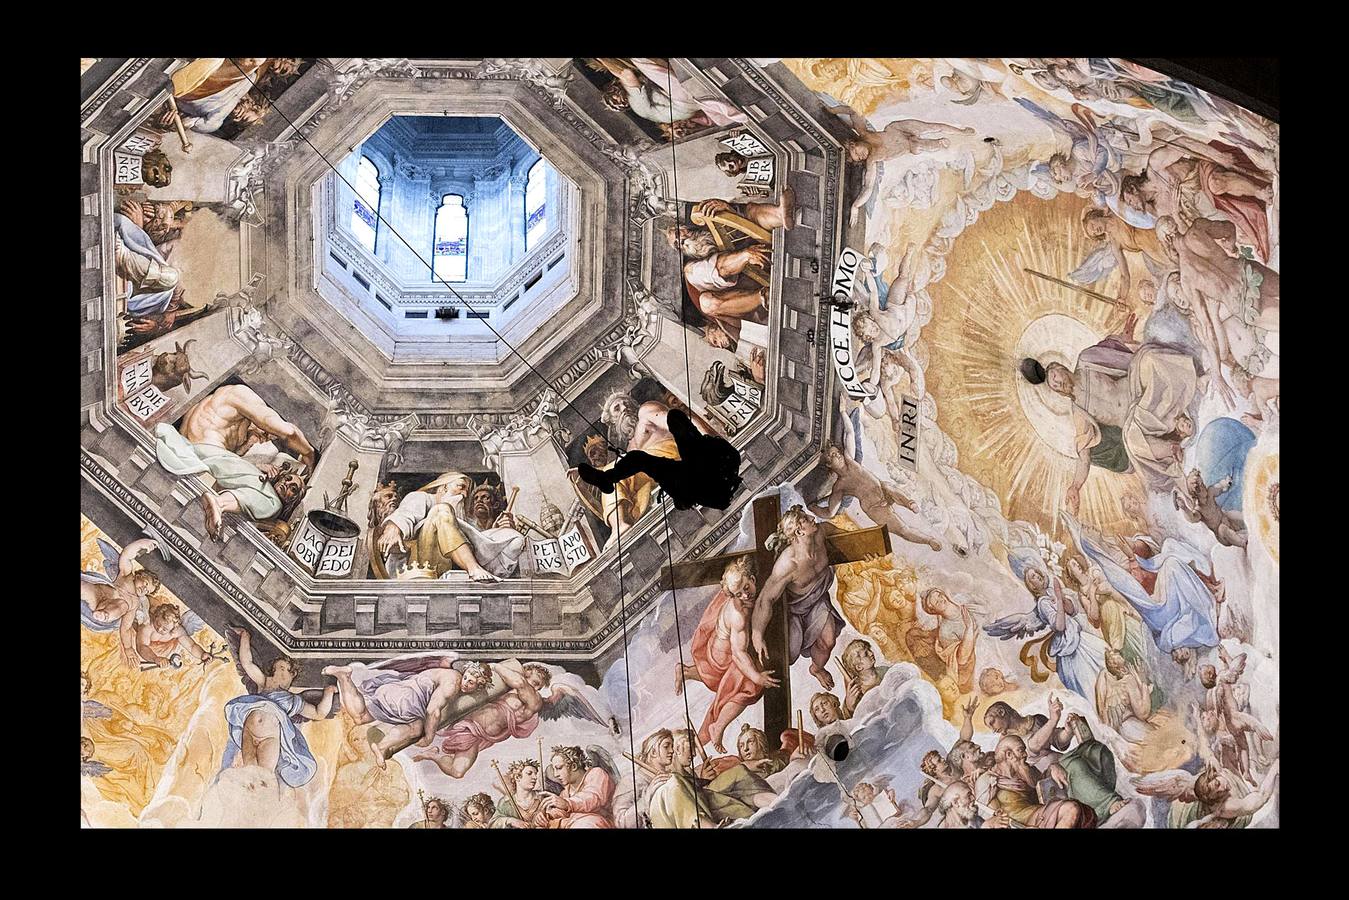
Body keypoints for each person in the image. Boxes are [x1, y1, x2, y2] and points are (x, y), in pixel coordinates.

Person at [154, 385, 315, 540]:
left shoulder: (220, 404)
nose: (264, 439)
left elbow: (224, 460)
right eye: (267, 434)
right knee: (272, 503)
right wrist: (309, 454)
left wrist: (254, 459)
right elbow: (289, 432)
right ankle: (219, 503)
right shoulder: (249, 400)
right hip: (208, 451)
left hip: (194, 448)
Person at [676, 557, 778, 753]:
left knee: (718, 680)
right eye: (738, 594)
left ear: (753, 579)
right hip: (723, 655)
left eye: (746, 588)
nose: (745, 596)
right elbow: (739, 654)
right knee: (749, 687)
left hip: (717, 648)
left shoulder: (747, 594)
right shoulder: (738, 614)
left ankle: (687, 672)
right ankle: (717, 726)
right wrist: (757, 676)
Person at [985, 552, 1109, 702]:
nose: (1036, 576)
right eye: (1032, 577)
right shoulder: (1043, 603)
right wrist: (1057, 596)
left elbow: (1072, 611)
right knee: (1092, 685)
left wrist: (1060, 597)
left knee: (1105, 658)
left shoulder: (1050, 592)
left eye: (1036, 574)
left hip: (1079, 638)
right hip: (1069, 648)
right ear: (1031, 586)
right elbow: (1059, 626)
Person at [222, 627, 336, 790]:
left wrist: (329, 693)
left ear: (292, 675)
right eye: (277, 669)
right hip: (248, 732)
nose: (279, 673)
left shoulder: (294, 700)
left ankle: (268, 809)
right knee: (249, 774)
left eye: (284, 669)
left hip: (270, 738)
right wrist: (245, 636)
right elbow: (247, 663)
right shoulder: (264, 684)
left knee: (265, 777)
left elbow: (319, 713)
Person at [322, 659, 491, 768]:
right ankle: (381, 747)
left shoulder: (448, 676)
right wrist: (429, 737)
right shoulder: (453, 682)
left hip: (396, 690)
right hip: (408, 698)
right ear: (465, 671)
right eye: (467, 677)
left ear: (478, 686)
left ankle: (344, 678)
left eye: (472, 683)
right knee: (416, 728)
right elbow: (433, 710)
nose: (467, 683)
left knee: (361, 717)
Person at [750, 506, 844, 690]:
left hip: (817, 600)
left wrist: (865, 546)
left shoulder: (820, 534)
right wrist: (757, 633)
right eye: (806, 519)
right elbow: (765, 599)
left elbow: (850, 537)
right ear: (799, 532)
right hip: (794, 610)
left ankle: (817, 668)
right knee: (788, 656)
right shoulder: (788, 564)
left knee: (828, 641)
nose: (811, 517)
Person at [578, 407, 742, 511]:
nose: (625, 408)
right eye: (617, 408)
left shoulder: (645, 414)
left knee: (675, 417)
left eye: (625, 403)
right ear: (613, 422)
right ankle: (605, 479)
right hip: (691, 481)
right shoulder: (630, 449)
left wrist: (710, 436)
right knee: (637, 458)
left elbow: (667, 418)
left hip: (708, 470)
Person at [374, 472, 520, 581]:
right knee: (441, 510)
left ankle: (486, 570)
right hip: (419, 565)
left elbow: (475, 539)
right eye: (460, 487)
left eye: (466, 492)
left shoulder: (457, 515)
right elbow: (405, 513)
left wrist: (500, 529)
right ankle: (474, 569)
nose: (463, 495)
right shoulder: (421, 498)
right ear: (444, 488)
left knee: (515, 538)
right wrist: (393, 527)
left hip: (445, 565)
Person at [816, 445, 943, 550]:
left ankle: (909, 503)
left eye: (837, 452)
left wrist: (843, 414)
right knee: (903, 531)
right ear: (828, 465)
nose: (837, 455)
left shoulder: (851, 462)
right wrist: (812, 507)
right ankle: (929, 540)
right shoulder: (840, 486)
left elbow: (849, 432)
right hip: (874, 508)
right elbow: (830, 512)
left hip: (883, 491)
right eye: (832, 456)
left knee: (887, 487)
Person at [987, 735, 1096, 828]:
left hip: (1038, 814)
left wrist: (1053, 767)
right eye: (1021, 750)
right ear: (1009, 754)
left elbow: (1042, 784)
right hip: (1019, 823)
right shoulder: (988, 780)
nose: (1025, 755)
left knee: (1077, 809)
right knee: (1071, 808)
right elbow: (989, 815)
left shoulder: (1026, 771)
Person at [1057, 714, 1147, 827]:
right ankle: (1108, 803)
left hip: (1062, 759)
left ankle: (1100, 808)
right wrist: (1053, 719)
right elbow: (1036, 747)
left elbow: (1058, 741)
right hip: (1054, 766)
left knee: (1098, 751)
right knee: (1075, 765)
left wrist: (1068, 730)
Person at [904, 589, 978, 698]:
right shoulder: (945, 632)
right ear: (933, 610)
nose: (940, 600)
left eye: (939, 595)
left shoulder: (962, 603)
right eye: (937, 602)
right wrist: (969, 629)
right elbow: (962, 659)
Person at [542, 746, 616, 828]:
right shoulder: (566, 792)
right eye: (554, 770)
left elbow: (592, 798)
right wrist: (547, 815)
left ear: (574, 766)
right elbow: (562, 812)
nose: (556, 775)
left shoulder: (597, 774)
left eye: (559, 768)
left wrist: (567, 804)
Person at [133, 603, 212, 669]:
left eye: (164, 629)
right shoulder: (147, 626)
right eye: (158, 623)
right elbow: (141, 647)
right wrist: (155, 658)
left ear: (173, 628)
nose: (159, 629)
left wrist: (202, 654)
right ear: (156, 616)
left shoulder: (176, 631)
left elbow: (191, 646)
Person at [491, 758, 555, 829]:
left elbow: (559, 813)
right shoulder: (506, 802)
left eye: (535, 774)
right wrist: (511, 820)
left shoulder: (543, 796)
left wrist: (548, 815)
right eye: (529, 773)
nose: (535, 777)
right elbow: (493, 823)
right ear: (517, 777)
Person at [840, 639, 890, 717]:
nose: (871, 653)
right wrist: (850, 708)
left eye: (869, 650)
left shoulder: (885, 671)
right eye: (866, 653)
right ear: (859, 667)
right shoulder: (856, 691)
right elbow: (851, 719)